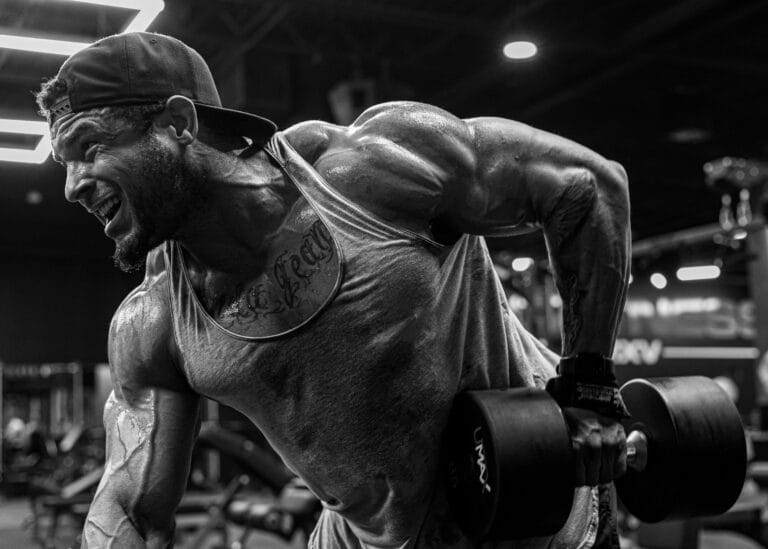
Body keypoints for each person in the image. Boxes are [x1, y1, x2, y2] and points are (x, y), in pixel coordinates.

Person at [37, 31, 631, 549]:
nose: (71, 188)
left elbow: (587, 187)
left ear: (178, 124)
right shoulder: (153, 321)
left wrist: (589, 389)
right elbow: (132, 510)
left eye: (89, 148)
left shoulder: (368, 171)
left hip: (547, 524)